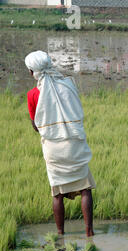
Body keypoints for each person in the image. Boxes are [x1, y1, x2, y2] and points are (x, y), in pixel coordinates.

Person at [25, 51, 95, 237]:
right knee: (85, 188)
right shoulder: (68, 85)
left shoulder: (33, 94)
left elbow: (36, 126)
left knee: (57, 193)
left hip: (53, 147)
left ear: (32, 72)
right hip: (74, 143)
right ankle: (89, 232)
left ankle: (60, 233)